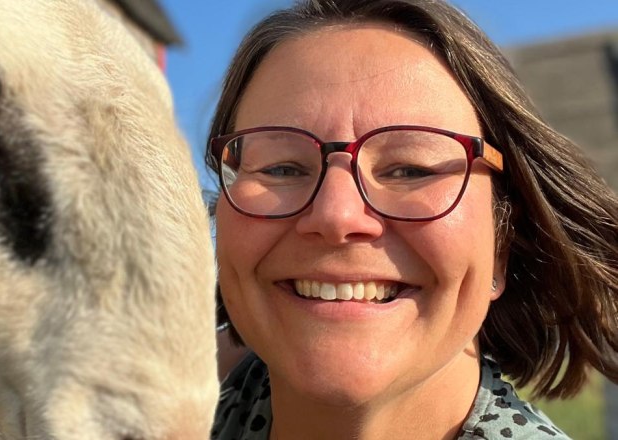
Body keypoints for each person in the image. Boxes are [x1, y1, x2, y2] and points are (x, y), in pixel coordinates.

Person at [205, 0, 618, 439]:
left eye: (411, 170)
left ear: (502, 245)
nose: (336, 214)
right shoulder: (179, 401)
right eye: (280, 168)